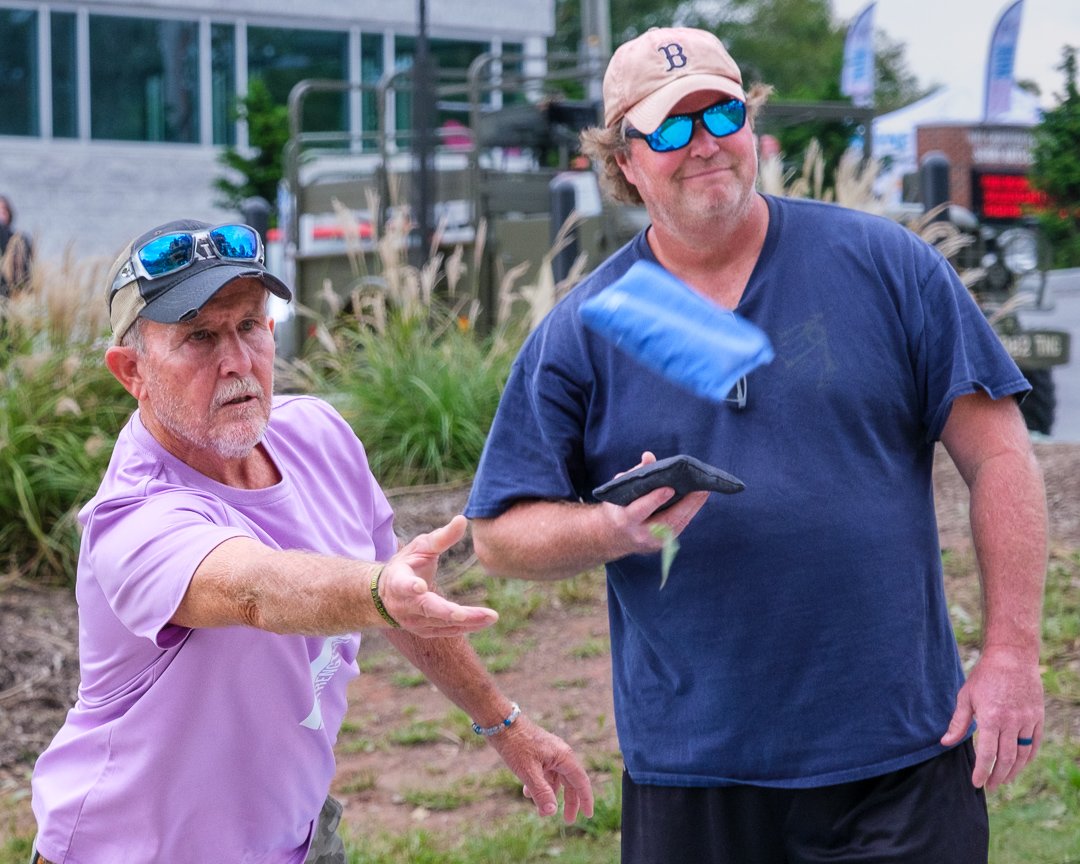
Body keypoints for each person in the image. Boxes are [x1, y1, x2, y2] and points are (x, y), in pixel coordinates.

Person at [466, 26, 1047, 864]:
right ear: (624, 161)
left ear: (753, 124)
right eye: (669, 129)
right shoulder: (587, 326)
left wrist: (1012, 656)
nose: (702, 145)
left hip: (900, 757)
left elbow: (999, 456)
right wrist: (607, 529)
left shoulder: (887, 265)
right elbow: (497, 535)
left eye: (722, 114)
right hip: (697, 773)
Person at [29, 219, 593, 864]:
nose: (237, 361)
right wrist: (376, 591)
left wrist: (504, 722)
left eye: (249, 326)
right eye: (200, 337)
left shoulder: (317, 433)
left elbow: (399, 594)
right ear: (132, 370)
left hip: (292, 835)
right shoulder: (133, 516)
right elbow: (253, 592)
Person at [0, 194, 33, 297]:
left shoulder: (21, 239)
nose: (1, 214)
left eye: (4, 211)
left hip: (13, 293)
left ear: (10, 214)